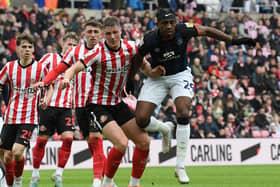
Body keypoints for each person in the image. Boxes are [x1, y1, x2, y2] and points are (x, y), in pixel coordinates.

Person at [130, 8, 256, 184]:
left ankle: (180, 166)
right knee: (140, 119)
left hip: (180, 75)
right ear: (157, 24)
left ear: (176, 22)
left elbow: (207, 30)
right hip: (158, 78)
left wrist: (232, 40)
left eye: (171, 22)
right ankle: (165, 129)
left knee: (183, 111)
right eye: (164, 23)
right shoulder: (150, 39)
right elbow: (138, 57)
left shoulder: (183, 29)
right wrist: (135, 77)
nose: (169, 26)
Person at [60, 16, 150, 187]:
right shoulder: (97, 52)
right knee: (121, 143)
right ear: (104, 35)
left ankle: (134, 183)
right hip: (97, 105)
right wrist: (66, 78)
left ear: (120, 32)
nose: (113, 37)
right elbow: (74, 67)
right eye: (108, 34)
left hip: (117, 103)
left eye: (115, 32)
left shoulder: (131, 47)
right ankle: (106, 182)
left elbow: (145, 66)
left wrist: (156, 73)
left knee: (144, 142)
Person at [35, 19, 107, 187]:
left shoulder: (104, 52)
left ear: (101, 34)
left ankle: (98, 182)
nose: (93, 35)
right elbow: (58, 69)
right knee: (92, 144)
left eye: (96, 32)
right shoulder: (75, 52)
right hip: (80, 106)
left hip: (98, 103)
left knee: (97, 141)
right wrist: (45, 82)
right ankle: (107, 181)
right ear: (84, 33)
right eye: (89, 32)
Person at [0, 33, 53, 187]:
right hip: (10, 117)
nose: (28, 49)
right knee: (6, 156)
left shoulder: (40, 68)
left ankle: (17, 181)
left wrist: (47, 99)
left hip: (29, 118)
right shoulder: (10, 67)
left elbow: (50, 85)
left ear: (33, 49)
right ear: (18, 49)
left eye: (30, 47)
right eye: (24, 47)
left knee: (16, 152)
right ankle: (9, 184)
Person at [29, 32, 79, 187]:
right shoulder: (50, 58)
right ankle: (35, 174)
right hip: (47, 106)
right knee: (42, 140)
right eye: (68, 44)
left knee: (69, 138)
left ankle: (58, 174)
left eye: (73, 44)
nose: (71, 47)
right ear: (62, 43)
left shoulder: (78, 63)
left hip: (65, 108)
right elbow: (37, 73)